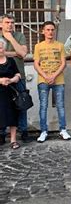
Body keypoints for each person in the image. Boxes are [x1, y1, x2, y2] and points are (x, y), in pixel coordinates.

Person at [34, 21, 71, 142]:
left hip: (58, 80)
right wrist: (45, 76)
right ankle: (43, 131)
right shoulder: (38, 46)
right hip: (43, 80)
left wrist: (54, 76)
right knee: (43, 106)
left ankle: (63, 129)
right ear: (43, 31)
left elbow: (63, 63)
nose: (50, 32)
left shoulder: (60, 45)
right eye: (48, 30)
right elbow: (36, 64)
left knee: (60, 105)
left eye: (52, 30)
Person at [0, 14, 29, 143]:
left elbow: (23, 53)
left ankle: (23, 131)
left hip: (18, 76)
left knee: (21, 103)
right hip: (1, 78)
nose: (10, 24)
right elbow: (18, 53)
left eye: (12, 22)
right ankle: (2, 133)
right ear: (1, 24)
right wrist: (14, 53)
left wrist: (10, 38)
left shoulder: (19, 36)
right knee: (2, 106)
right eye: (7, 22)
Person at [0, 38, 22, 149]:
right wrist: (0, 80)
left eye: (1, 46)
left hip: (11, 92)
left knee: (12, 115)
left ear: (4, 47)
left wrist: (11, 80)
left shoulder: (11, 60)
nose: (0, 48)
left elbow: (18, 75)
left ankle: (13, 140)